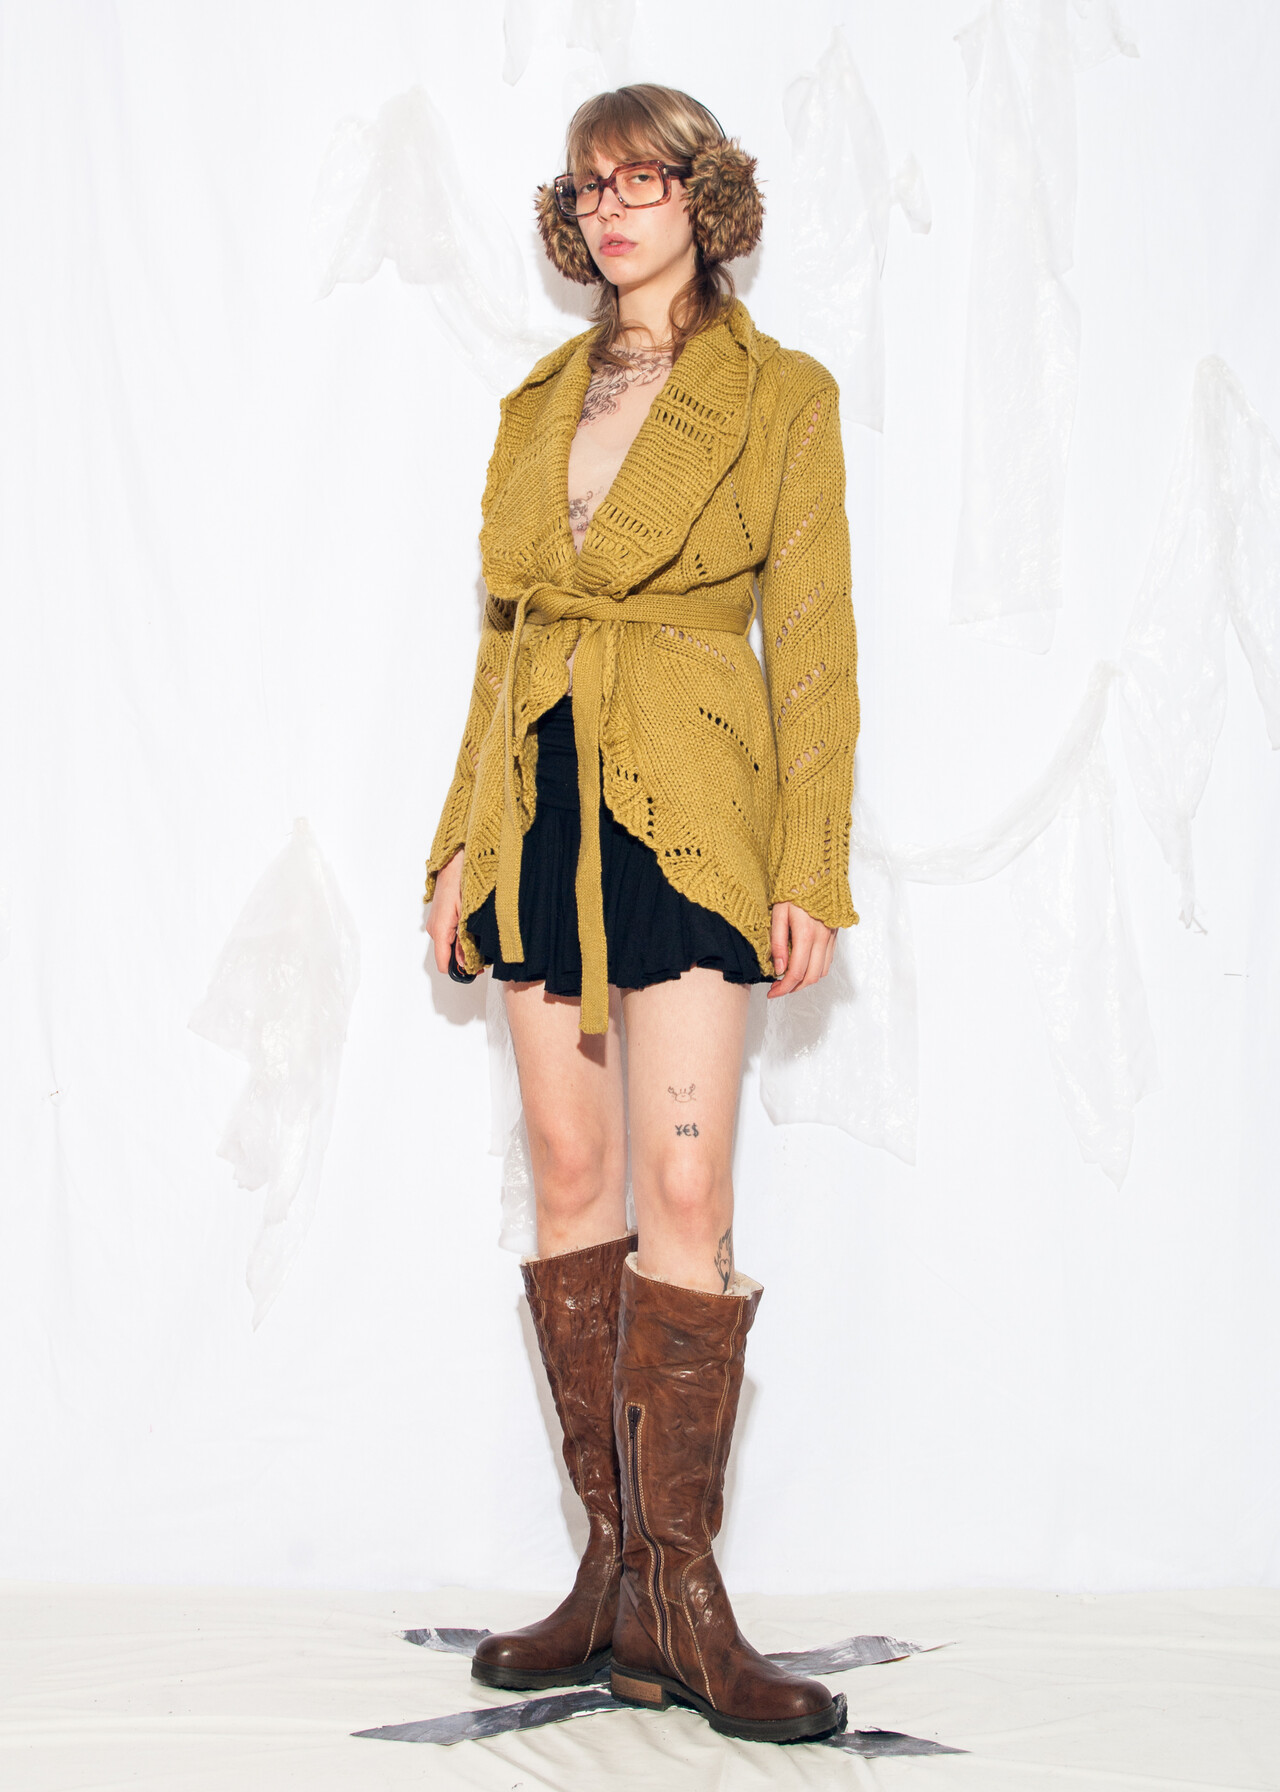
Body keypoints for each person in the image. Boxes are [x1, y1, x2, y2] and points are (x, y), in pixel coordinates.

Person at [423, 83, 860, 1745]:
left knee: (683, 1180)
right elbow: (502, 644)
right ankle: (614, 1579)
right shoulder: (538, 401)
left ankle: (686, 1588)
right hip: (540, 791)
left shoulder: (778, 394)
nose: (612, 209)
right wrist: (458, 846)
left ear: (704, 198)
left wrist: (810, 864)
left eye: (644, 181)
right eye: (588, 186)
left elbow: (812, 637)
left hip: (689, 796)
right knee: (569, 1171)